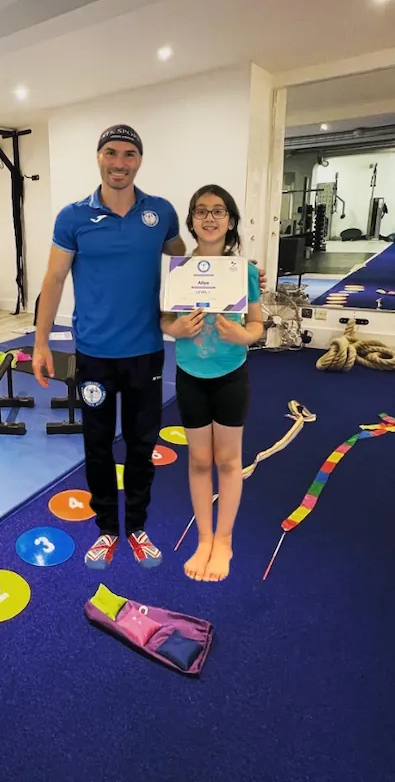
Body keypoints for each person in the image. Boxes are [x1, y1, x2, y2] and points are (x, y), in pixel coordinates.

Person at [31, 124, 186, 569]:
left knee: (141, 444)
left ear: (140, 160)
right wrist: (41, 342)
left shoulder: (160, 213)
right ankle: (106, 529)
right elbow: (53, 279)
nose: (120, 163)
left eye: (129, 155)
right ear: (98, 157)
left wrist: (231, 272)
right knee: (97, 446)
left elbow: (182, 263)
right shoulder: (74, 217)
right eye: (112, 153)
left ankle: (135, 526)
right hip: (95, 355)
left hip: (146, 354)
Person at [159, 185, 263, 583]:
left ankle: (225, 540)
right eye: (201, 211)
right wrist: (175, 327)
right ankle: (204, 539)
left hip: (231, 376)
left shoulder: (245, 271)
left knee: (228, 461)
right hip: (191, 376)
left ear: (231, 221)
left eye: (219, 211)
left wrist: (245, 337)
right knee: (200, 461)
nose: (209, 217)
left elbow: (256, 325)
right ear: (191, 221)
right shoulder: (179, 271)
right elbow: (165, 321)